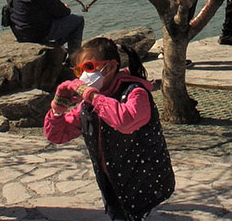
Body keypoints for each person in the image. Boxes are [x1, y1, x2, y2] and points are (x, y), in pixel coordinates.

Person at [44, 37, 174, 221]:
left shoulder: (136, 93)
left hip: (145, 181)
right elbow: (56, 135)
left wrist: (93, 96)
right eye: (79, 71)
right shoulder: (88, 105)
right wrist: (57, 109)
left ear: (111, 67)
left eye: (89, 68)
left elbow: (125, 120)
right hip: (112, 182)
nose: (83, 76)